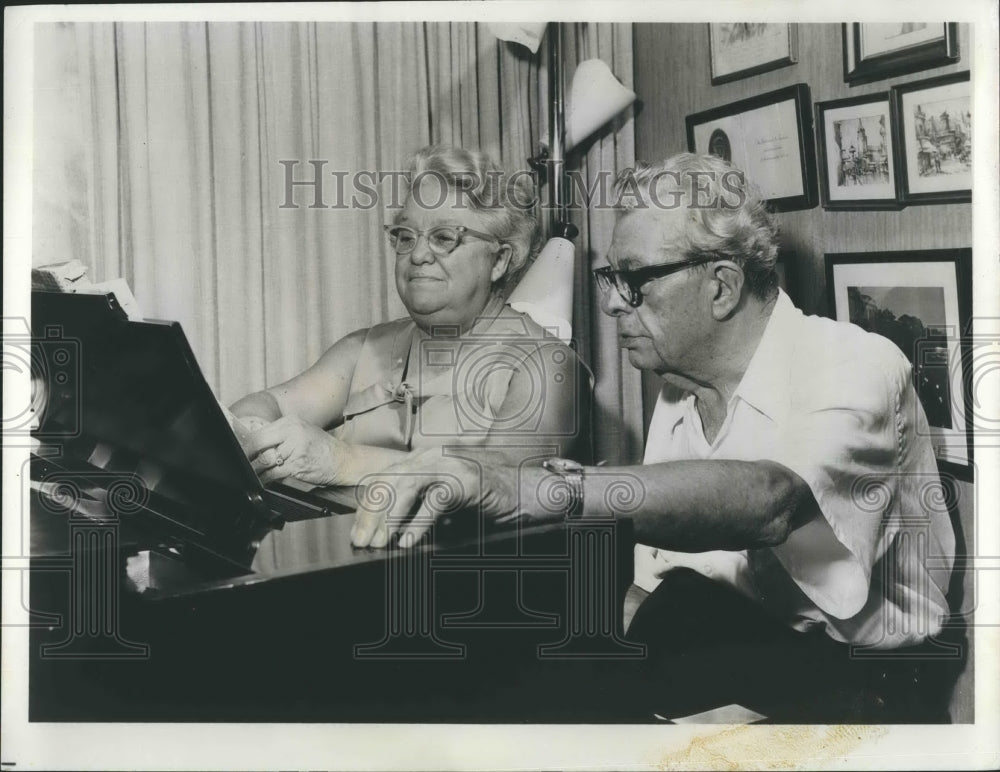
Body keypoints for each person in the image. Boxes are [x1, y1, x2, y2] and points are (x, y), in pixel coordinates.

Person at [350, 153, 958, 722]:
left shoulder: (854, 362)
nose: (613, 305)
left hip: (867, 692)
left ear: (721, 286)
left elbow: (771, 501)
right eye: (612, 277)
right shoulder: (679, 386)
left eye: (634, 280)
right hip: (732, 644)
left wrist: (531, 488)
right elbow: (661, 585)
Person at [231, 145, 589, 540]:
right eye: (405, 235)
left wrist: (339, 460)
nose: (417, 254)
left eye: (443, 237)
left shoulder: (547, 365)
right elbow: (270, 403)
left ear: (500, 260)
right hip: (342, 564)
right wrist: (254, 434)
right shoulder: (363, 347)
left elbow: (497, 486)